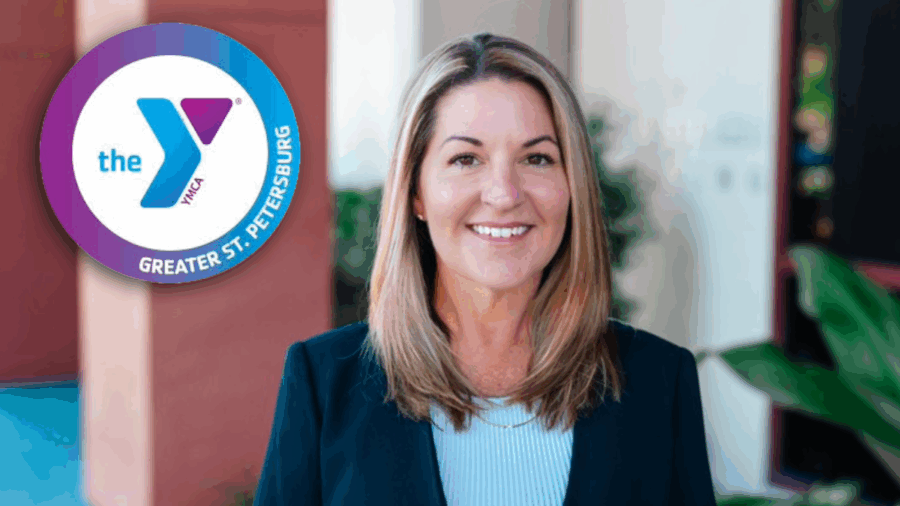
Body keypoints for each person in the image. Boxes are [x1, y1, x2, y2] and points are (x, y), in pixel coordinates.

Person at [255, 33, 716, 506]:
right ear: (416, 193)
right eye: (466, 159)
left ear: (571, 186)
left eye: (536, 158)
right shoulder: (324, 382)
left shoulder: (658, 380)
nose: (504, 193)